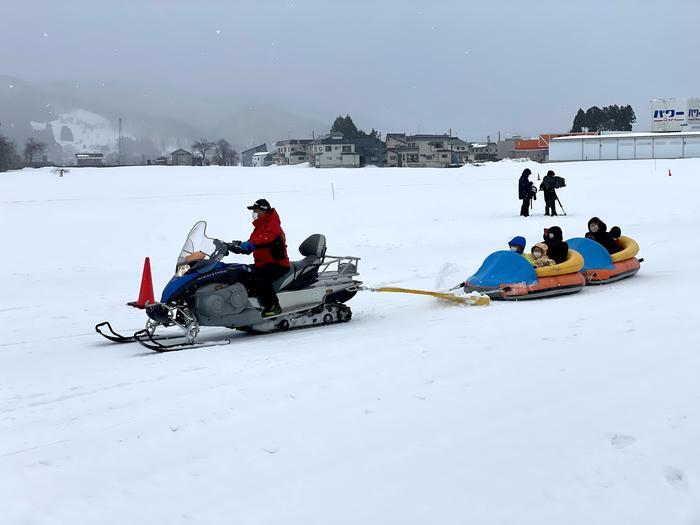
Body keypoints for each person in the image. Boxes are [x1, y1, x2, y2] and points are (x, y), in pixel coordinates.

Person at [231, 198, 290, 317]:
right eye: (254, 211)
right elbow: (252, 242)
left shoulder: (273, 225)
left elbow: (266, 238)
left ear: (264, 211)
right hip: (262, 264)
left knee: (262, 279)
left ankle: (274, 306)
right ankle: (248, 305)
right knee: (243, 272)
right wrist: (238, 247)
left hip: (277, 264)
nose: (254, 214)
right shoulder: (258, 228)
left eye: (256, 211)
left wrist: (251, 244)